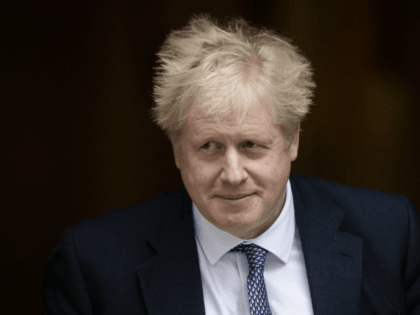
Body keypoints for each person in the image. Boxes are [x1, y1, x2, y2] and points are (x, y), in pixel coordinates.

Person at [42, 15, 420, 315]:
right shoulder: (93, 265)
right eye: (209, 146)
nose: (233, 173)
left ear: (292, 141)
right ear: (176, 150)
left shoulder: (389, 235)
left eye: (251, 145)